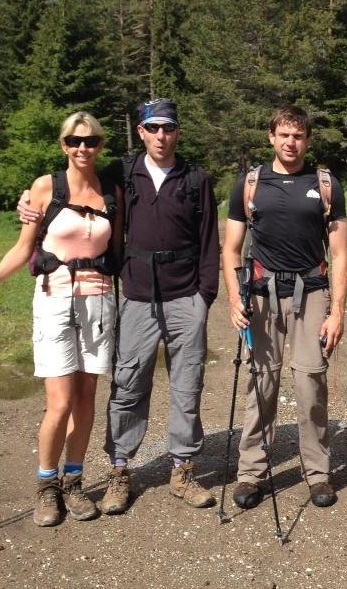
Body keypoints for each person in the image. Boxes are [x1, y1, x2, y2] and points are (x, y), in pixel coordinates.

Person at [17, 98, 220, 513]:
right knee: (128, 385)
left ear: (177, 131)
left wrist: (205, 297)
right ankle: (119, 470)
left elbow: (208, 242)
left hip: (186, 296)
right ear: (142, 132)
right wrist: (28, 199)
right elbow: (77, 179)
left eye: (168, 128)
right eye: (153, 128)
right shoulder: (122, 174)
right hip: (137, 296)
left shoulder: (195, 179)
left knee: (187, 386)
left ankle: (182, 469)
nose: (161, 136)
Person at [0, 111, 122, 527]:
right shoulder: (45, 187)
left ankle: (74, 481)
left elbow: (121, 246)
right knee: (61, 402)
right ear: (62, 144)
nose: (82, 149)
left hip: (99, 301)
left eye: (90, 142)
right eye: (74, 141)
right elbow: (23, 247)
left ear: (101, 145)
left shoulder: (112, 191)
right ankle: (46, 485)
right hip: (54, 299)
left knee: (87, 399)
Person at [221, 104, 347, 509]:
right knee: (262, 382)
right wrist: (233, 297)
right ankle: (251, 474)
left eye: (298, 136)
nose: (291, 142)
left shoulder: (326, 184)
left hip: (311, 292)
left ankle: (318, 474)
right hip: (261, 293)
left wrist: (338, 311)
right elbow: (230, 249)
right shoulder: (250, 183)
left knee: (311, 382)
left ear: (306, 140)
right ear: (271, 137)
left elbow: (341, 253)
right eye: (284, 135)